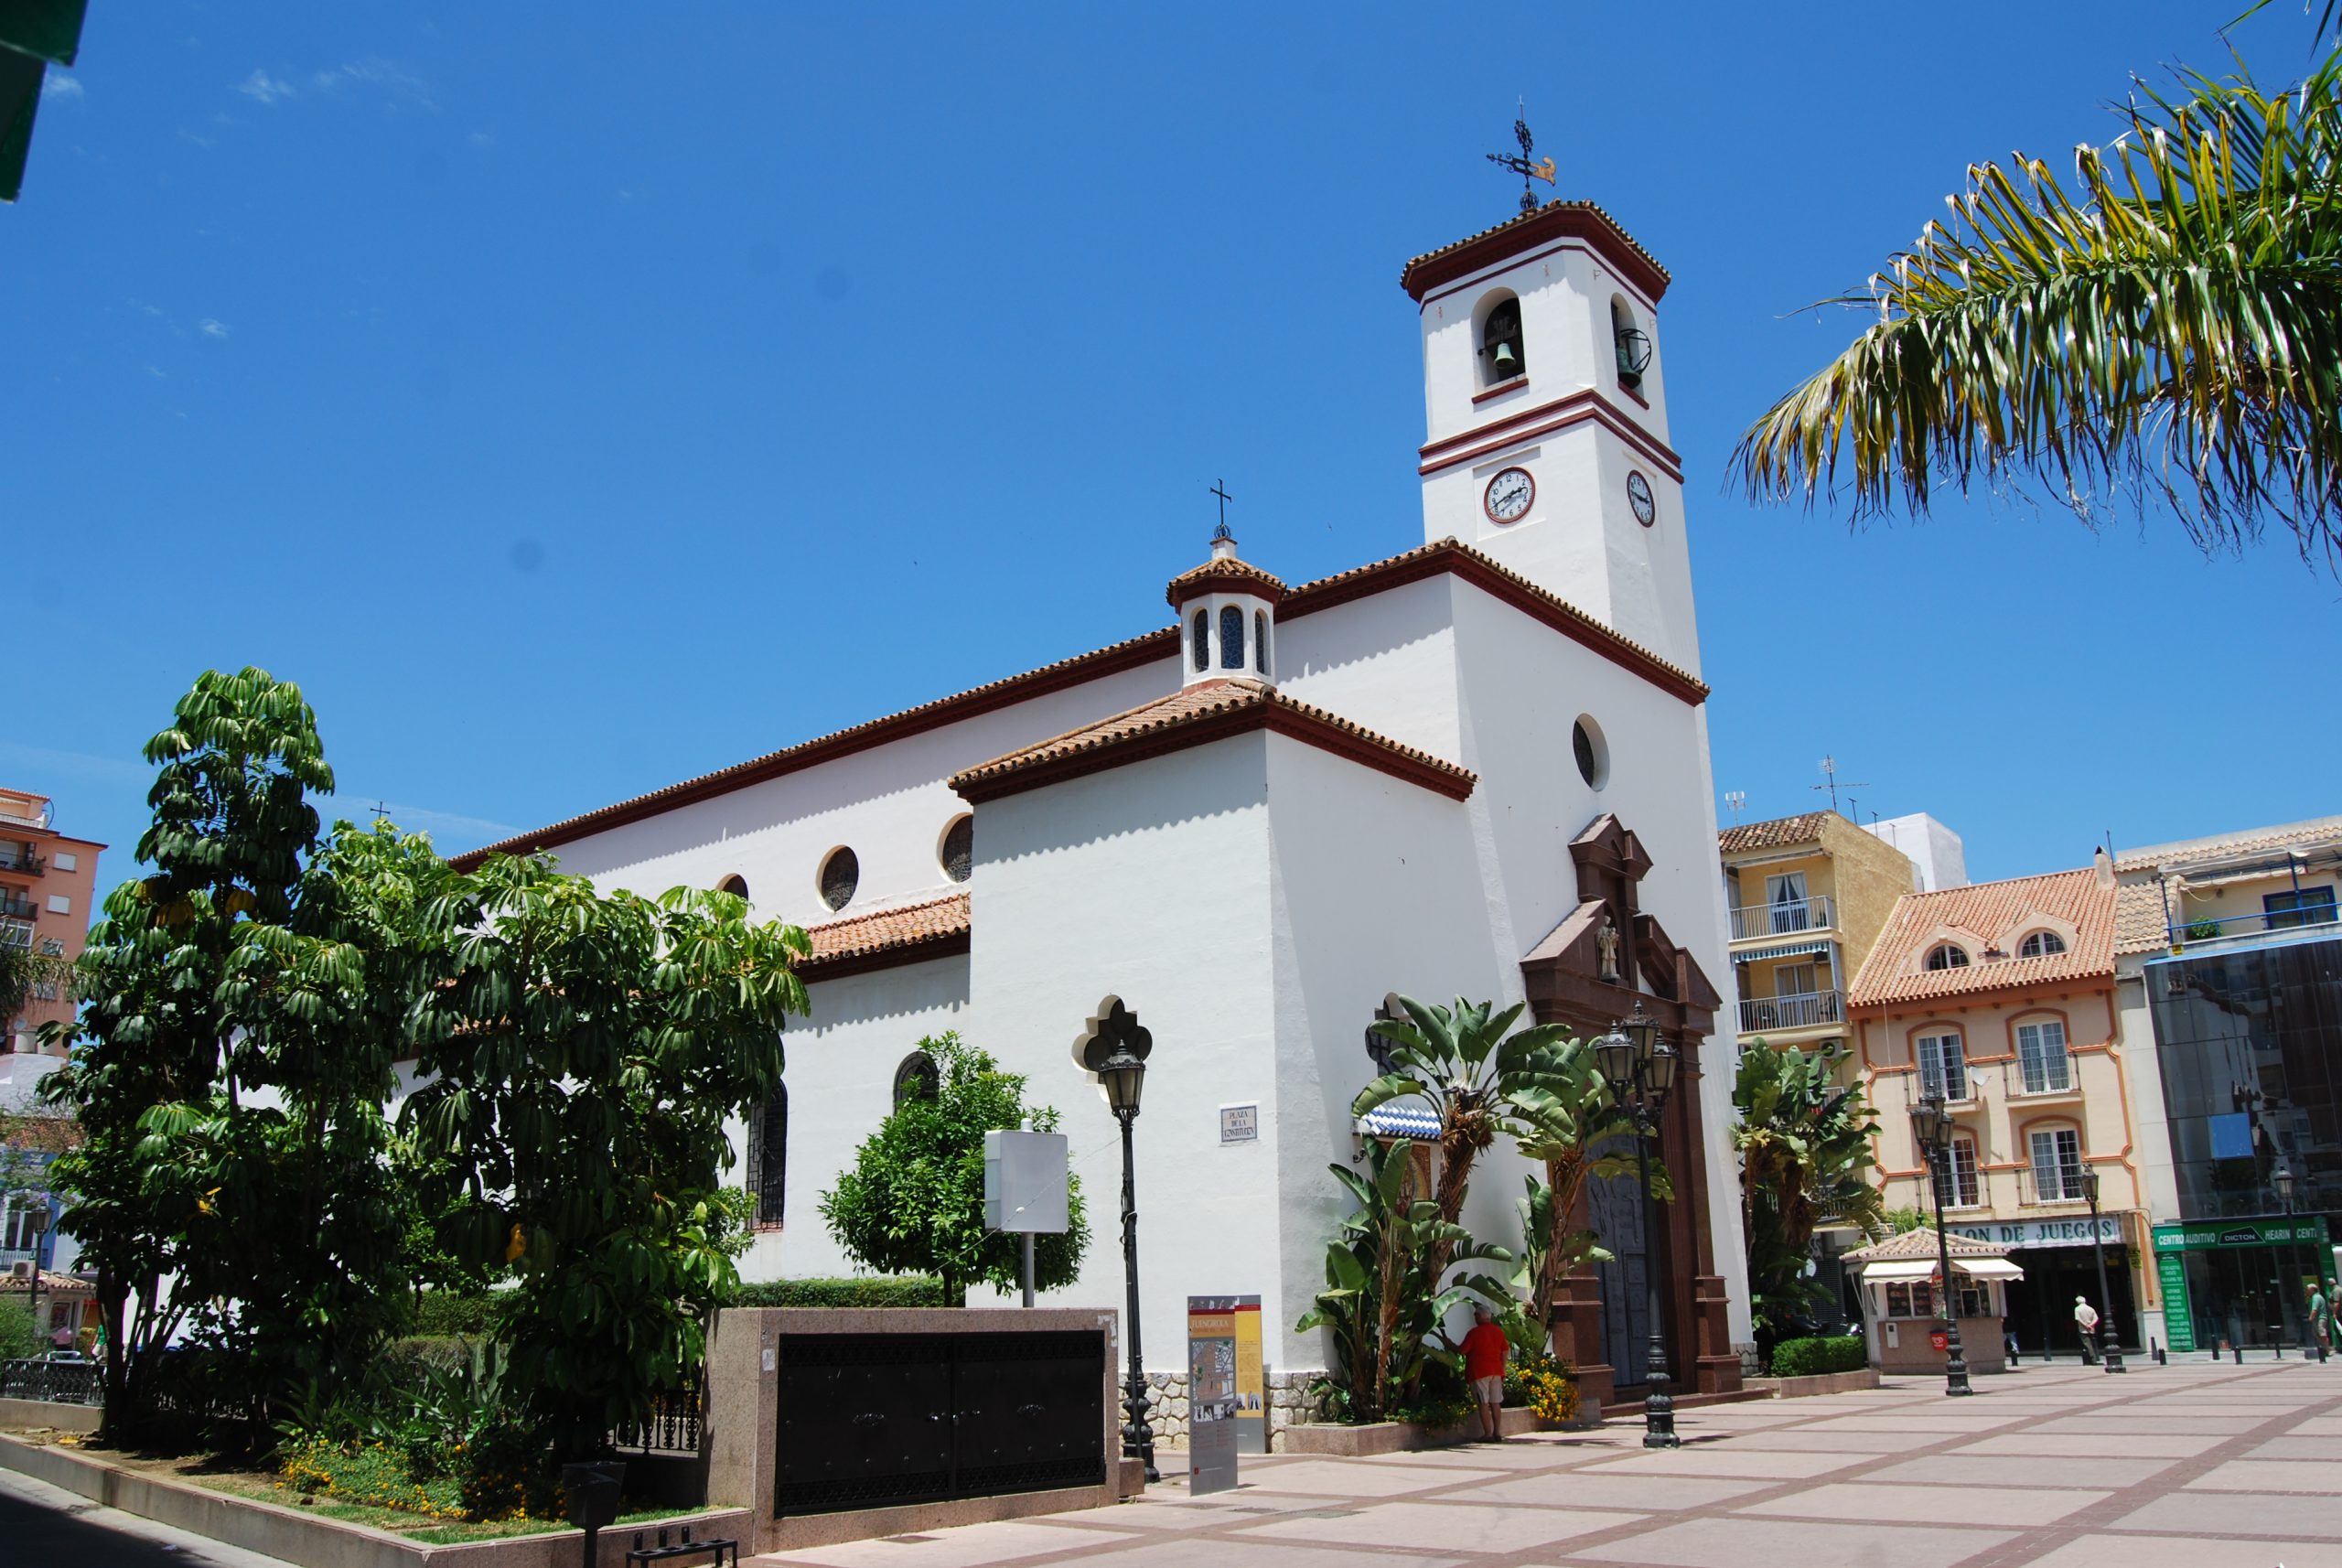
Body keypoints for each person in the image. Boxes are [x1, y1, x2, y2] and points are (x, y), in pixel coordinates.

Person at [1460, 1304, 1509, 1442]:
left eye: (1476, 1315)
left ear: (1481, 1316)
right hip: (1496, 1370)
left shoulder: (1474, 1333)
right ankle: (1497, 1433)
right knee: (1495, 1402)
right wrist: (1503, 1368)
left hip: (1480, 1371)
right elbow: (1505, 1351)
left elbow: (1462, 1350)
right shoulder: (1498, 1332)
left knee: (1483, 1402)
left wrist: (1449, 1344)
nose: (1475, 1317)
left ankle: (1488, 1434)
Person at [2074, 1295, 2100, 1364]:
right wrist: (2091, 1325)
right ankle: (2093, 1359)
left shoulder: (2077, 1309)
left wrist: (2086, 1325)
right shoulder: (2091, 1308)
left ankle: (2092, 1360)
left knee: (2088, 1345)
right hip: (2091, 1329)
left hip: (2083, 1330)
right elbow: (2096, 1318)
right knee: (2092, 1344)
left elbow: (2078, 1319)